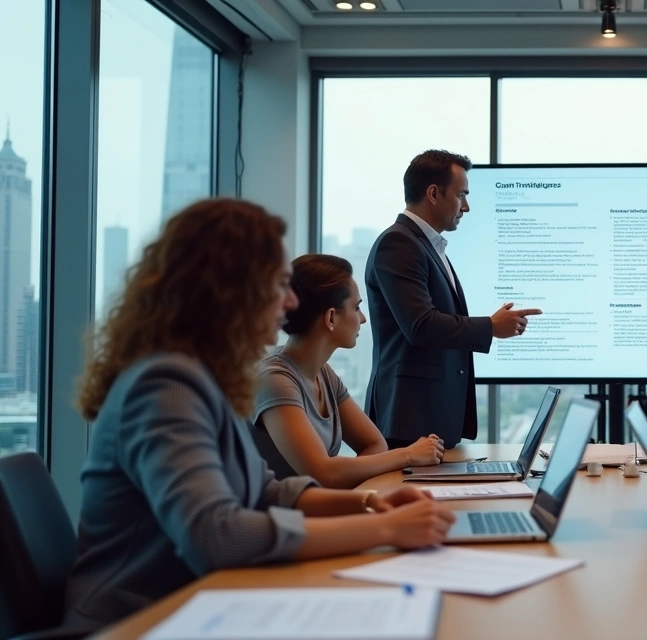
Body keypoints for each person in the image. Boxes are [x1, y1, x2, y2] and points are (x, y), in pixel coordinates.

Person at [63, 199, 456, 630]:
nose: (290, 302)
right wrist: (386, 529)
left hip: (198, 604)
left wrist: (370, 504)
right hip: (134, 621)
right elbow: (217, 535)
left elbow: (268, 492)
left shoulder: (206, 377)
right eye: (280, 283)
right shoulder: (165, 385)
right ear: (231, 290)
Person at [364, 150, 540, 449]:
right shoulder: (399, 243)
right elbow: (420, 325)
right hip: (409, 419)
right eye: (461, 195)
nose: (466, 207)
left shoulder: (426, 245)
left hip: (427, 419)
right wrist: (490, 327)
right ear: (434, 193)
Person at [250, 254, 445, 488]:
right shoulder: (275, 380)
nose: (362, 319)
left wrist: (343, 474)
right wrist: (408, 455)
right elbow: (323, 473)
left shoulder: (323, 373)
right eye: (356, 307)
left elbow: (374, 444)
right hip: (278, 512)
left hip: (318, 507)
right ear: (331, 317)